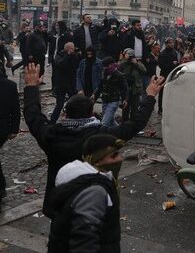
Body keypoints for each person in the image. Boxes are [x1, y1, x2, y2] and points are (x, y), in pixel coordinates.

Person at [22, 63, 163, 213]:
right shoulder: (101, 136)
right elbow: (135, 124)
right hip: (92, 204)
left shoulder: (51, 135)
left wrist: (31, 87)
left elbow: (33, 115)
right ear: (91, 114)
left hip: (59, 204)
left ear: (66, 114)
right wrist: (150, 96)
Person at [46, 134, 125, 252]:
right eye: (114, 155)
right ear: (96, 160)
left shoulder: (85, 181)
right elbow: (84, 241)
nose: (120, 158)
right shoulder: (95, 191)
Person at [0, 65, 20, 205]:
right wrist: (14, 129)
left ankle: (1, 188)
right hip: (3, 128)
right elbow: (16, 109)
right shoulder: (11, 85)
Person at [92, 57, 128, 128]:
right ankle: (120, 131)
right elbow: (100, 87)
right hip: (105, 100)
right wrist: (95, 96)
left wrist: (125, 99)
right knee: (110, 120)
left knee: (105, 122)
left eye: (106, 66)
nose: (104, 68)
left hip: (114, 100)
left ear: (111, 65)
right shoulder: (104, 74)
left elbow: (124, 88)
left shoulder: (119, 75)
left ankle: (100, 135)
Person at [51, 42, 81, 123]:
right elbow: (60, 64)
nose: (73, 50)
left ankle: (74, 119)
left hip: (71, 84)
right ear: (67, 48)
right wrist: (67, 55)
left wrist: (75, 55)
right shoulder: (59, 55)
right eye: (71, 48)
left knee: (74, 103)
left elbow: (77, 66)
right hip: (61, 84)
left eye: (73, 48)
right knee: (59, 104)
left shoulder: (74, 56)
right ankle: (52, 121)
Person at [119, 48, 147, 122]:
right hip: (125, 90)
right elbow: (117, 70)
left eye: (131, 56)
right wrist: (122, 60)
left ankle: (132, 126)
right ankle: (124, 125)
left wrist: (136, 63)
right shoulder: (123, 63)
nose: (130, 58)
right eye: (128, 55)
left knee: (134, 109)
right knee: (125, 110)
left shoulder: (137, 62)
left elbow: (144, 71)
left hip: (135, 89)